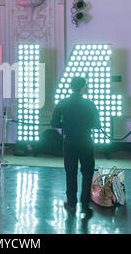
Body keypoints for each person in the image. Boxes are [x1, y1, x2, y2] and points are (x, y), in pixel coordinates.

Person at [51, 76, 101, 216]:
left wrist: (65, 125)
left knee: (70, 172)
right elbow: (97, 125)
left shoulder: (63, 103)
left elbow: (54, 123)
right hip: (86, 141)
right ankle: (85, 204)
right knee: (87, 172)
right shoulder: (89, 104)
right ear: (83, 88)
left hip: (69, 141)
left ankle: (71, 203)